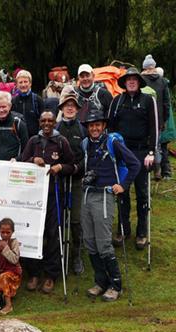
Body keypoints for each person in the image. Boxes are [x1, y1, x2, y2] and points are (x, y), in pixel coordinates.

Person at [81, 110, 140, 301]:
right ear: (88, 128)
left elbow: (135, 164)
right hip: (87, 195)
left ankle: (116, 285)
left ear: (104, 126)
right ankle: (101, 282)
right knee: (89, 241)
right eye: (91, 125)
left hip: (105, 197)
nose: (95, 128)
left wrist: (123, 185)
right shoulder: (86, 144)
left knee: (104, 243)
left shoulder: (112, 142)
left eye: (98, 124)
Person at [21, 110, 74, 293]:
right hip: (33, 196)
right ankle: (34, 274)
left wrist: (60, 166)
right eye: (43, 120)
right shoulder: (33, 141)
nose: (46, 124)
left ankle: (51, 276)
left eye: (50, 121)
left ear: (54, 122)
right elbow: (22, 161)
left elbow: (73, 165)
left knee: (53, 235)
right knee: (34, 233)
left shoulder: (61, 141)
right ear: (39, 122)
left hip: (54, 195)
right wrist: (32, 159)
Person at [108, 67, 157, 250]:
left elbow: (154, 127)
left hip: (141, 153)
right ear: (124, 82)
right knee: (122, 192)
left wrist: (152, 152)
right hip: (122, 153)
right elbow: (110, 129)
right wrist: (112, 151)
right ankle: (123, 229)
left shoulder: (147, 100)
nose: (131, 82)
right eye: (128, 79)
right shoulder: (117, 101)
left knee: (142, 194)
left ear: (139, 82)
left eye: (134, 79)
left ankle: (142, 232)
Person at [55, 92, 87, 274]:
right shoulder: (56, 128)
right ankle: (59, 254)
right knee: (59, 219)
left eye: (72, 105)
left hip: (76, 181)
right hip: (59, 181)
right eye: (66, 105)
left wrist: (77, 168)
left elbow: (86, 156)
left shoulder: (82, 130)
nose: (69, 108)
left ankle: (76, 255)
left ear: (77, 109)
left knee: (75, 220)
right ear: (61, 108)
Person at [141, 55, 170, 180]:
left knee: (142, 143)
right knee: (156, 145)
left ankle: (143, 169)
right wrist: (164, 119)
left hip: (142, 118)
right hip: (158, 119)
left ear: (144, 67)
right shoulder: (163, 81)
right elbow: (166, 103)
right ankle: (157, 170)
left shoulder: (140, 80)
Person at [0, 218, 22, 315]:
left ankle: (8, 305)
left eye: (8, 232)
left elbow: (15, 259)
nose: (5, 235)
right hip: (1, 274)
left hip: (13, 275)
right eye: (2, 232)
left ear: (12, 232)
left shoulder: (14, 243)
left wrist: (6, 248)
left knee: (3, 277)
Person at [11, 70, 44, 138]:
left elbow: (43, 121)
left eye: (25, 82)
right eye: (20, 82)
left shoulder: (37, 100)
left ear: (30, 83)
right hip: (18, 139)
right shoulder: (13, 101)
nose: (23, 85)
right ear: (17, 85)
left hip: (34, 139)